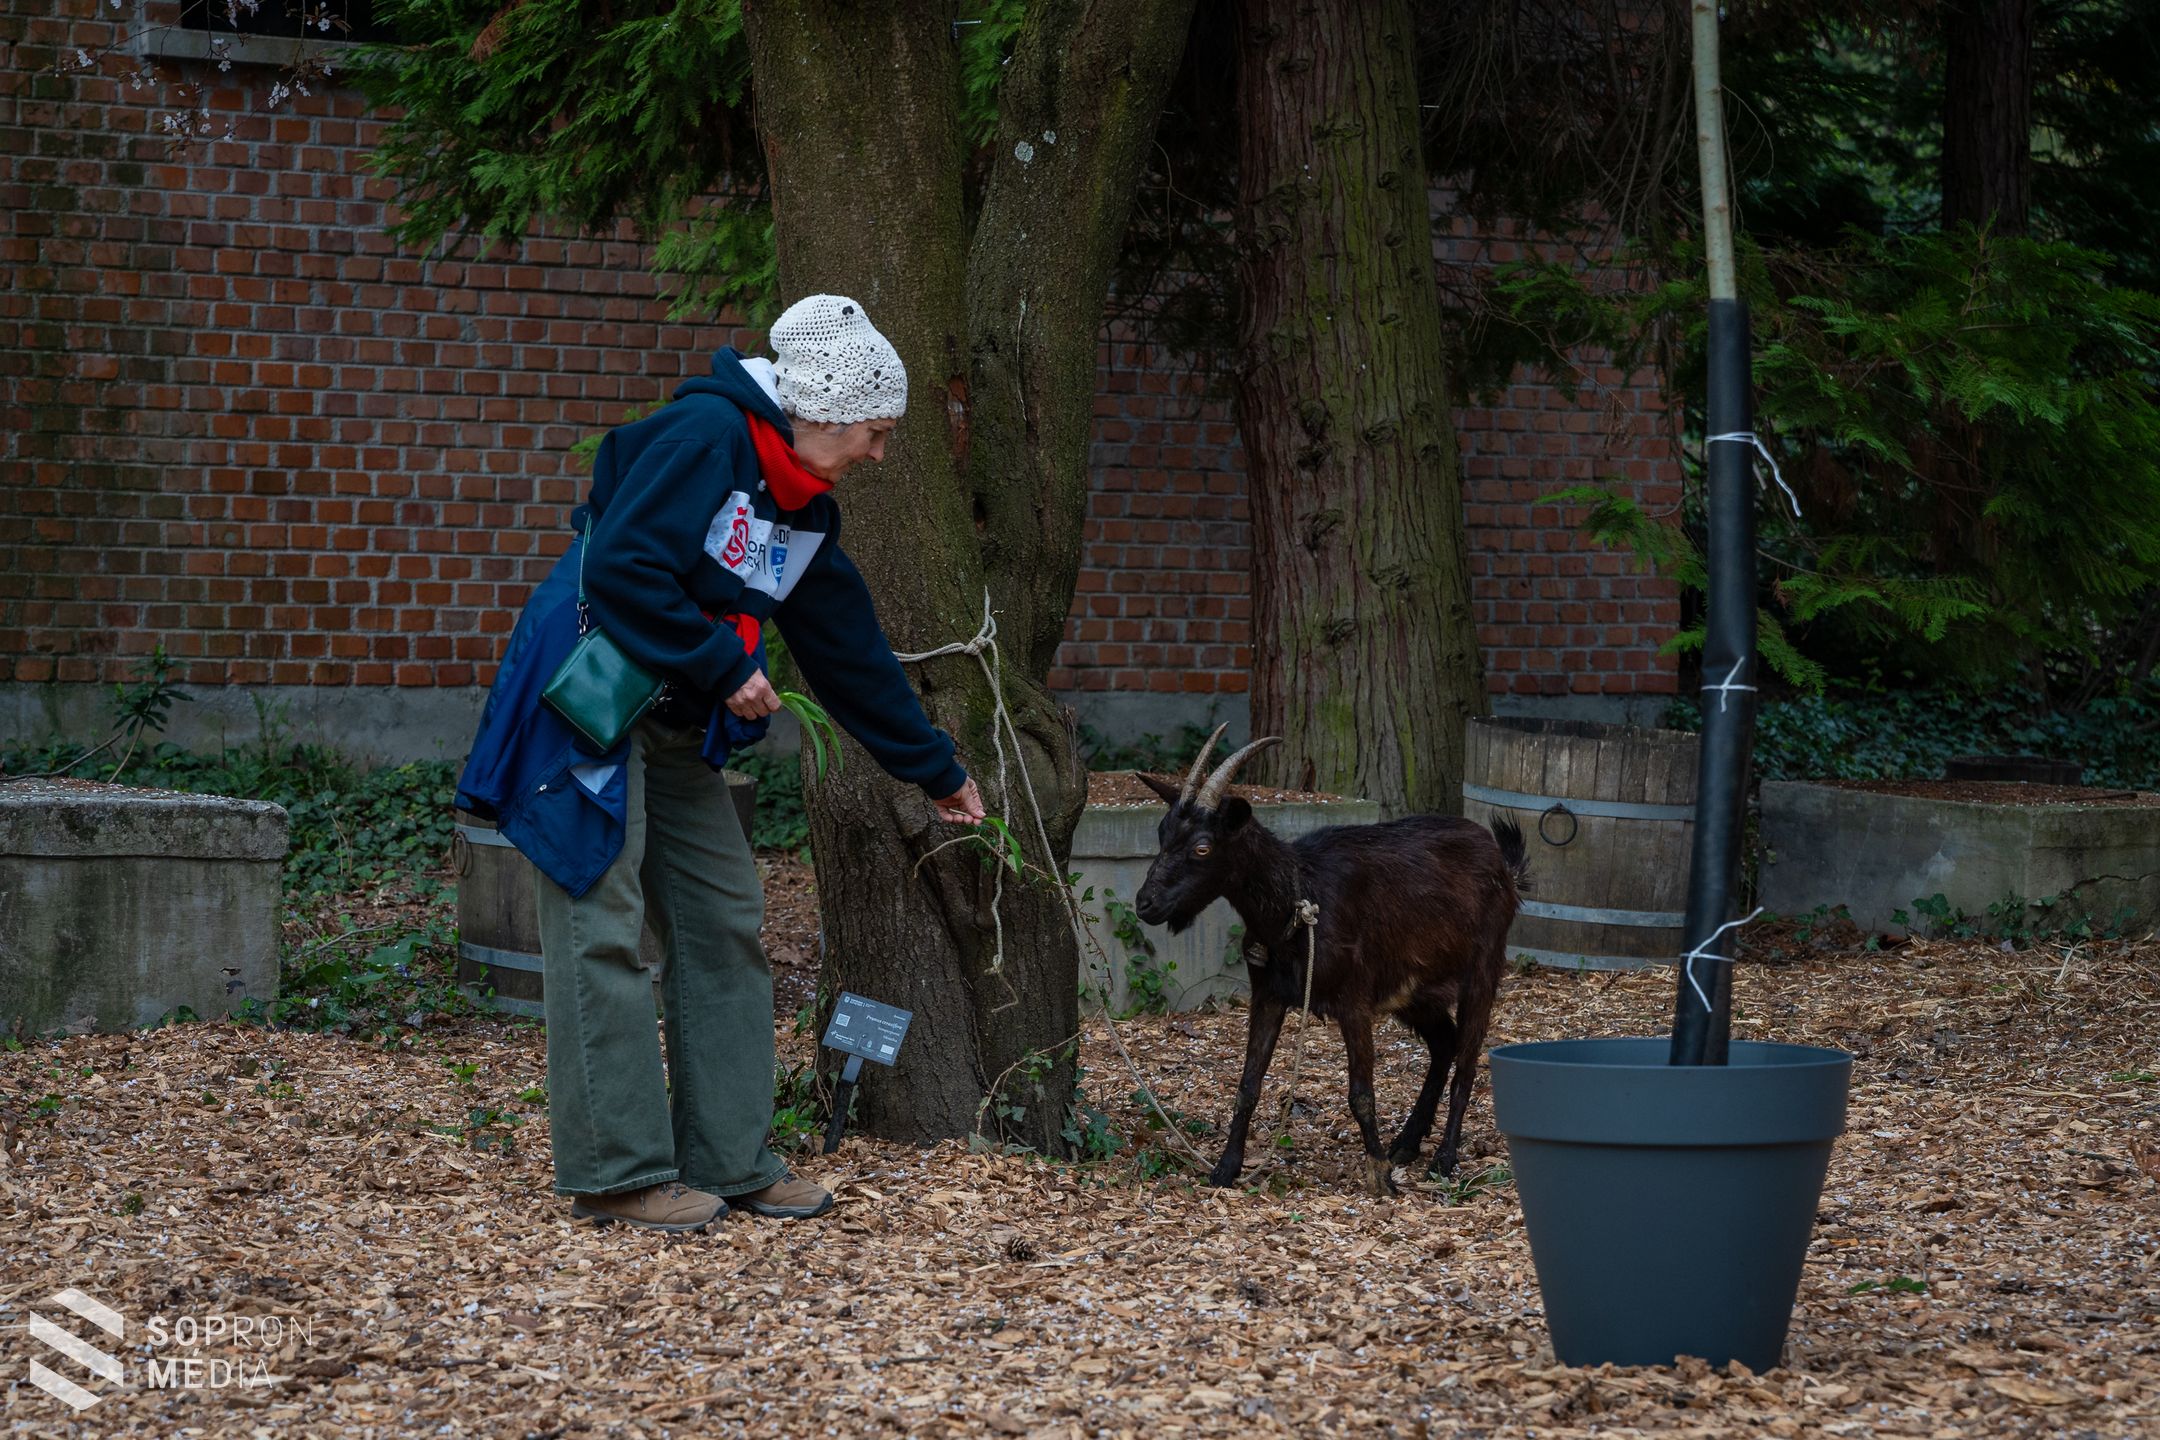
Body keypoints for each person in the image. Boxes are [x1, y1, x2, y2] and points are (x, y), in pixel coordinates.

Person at [456, 294, 986, 1233]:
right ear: (821, 409)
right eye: (874, 431)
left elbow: (847, 650)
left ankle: (733, 1160)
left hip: (673, 714)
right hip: (589, 696)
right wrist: (724, 663)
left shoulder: (802, 508)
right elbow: (622, 566)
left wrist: (934, 769)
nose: (878, 453)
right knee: (602, 921)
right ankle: (617, 1171)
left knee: (726, 921)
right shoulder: (708, 435)